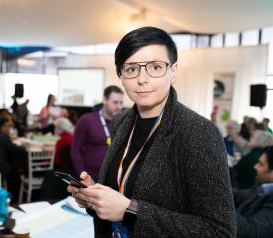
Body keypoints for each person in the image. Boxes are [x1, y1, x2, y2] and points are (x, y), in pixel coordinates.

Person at [68, 26, 236, 237]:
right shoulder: (122, 121)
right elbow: (120, 194)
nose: (142, 79)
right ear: (121, 74)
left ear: (173, 72)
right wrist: (96, 198)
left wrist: (130, 211)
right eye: (131, 69)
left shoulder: (199, 133)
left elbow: (220, 231)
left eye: (155, 67)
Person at [71, 85, 124, 181]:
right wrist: (83, 176)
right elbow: (75, 150)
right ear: (105, 100)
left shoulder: (124, 123)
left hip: (114, 178)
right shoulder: (87, 120)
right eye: (115, 102)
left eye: (121, 103)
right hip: (91, 177)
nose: (119, 107)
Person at [0, 118, 27, 199]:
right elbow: (14, 149)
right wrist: (24, 147)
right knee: (17, 167)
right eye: (8, 126)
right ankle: (14, 196)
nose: (9, 129)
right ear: (2, 127)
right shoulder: (2, 136)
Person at [235, 146, 273, 237]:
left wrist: (223, 204)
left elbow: (251, 233)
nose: (255, 167)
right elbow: (239, 195)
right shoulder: (265, 188)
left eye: (261, 164)